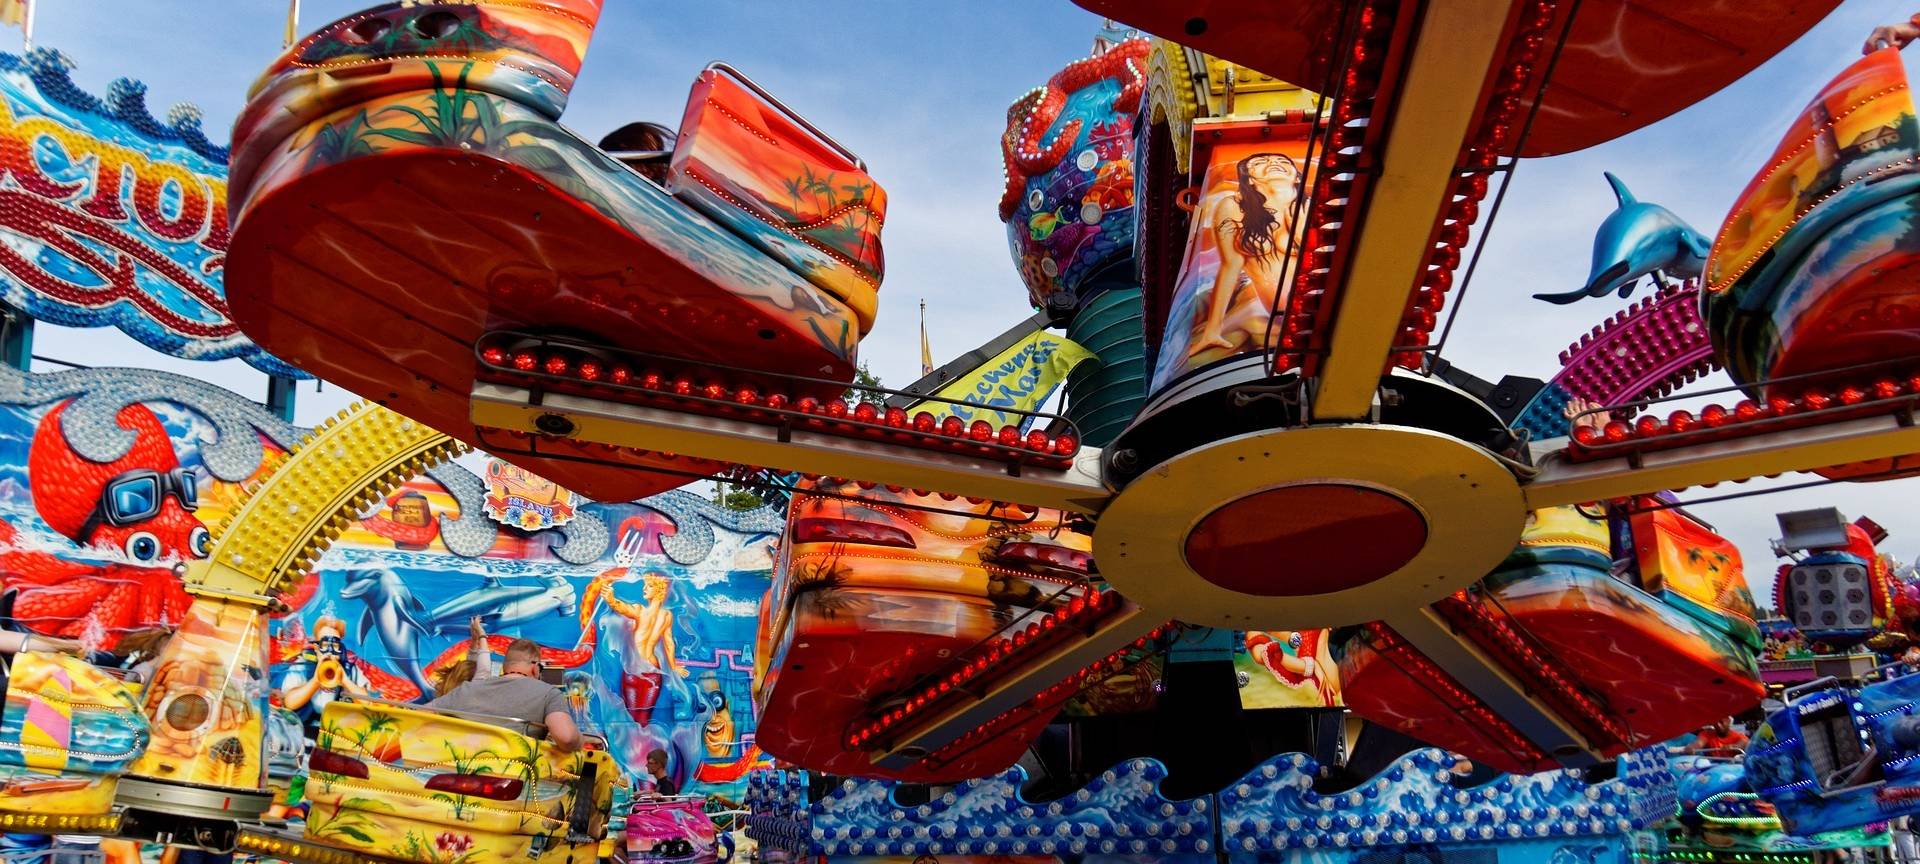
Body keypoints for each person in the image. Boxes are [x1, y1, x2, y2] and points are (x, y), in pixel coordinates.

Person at [1192, 152, 1303, 354]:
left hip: (1320, 305)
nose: (1273, 163)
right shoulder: (1234, 207)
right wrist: (1213, 330)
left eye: (1282, 161)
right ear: (1249, 179)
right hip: (1277, 315)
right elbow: (1230, 267)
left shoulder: (1308, 206)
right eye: (1260, 162)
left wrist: (1300, 234)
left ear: (1296, 176)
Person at [427, 637, 580, 752]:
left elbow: (420, 712)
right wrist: (580, 741)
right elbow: (566, 737)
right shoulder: (548, 693)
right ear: (535, 668)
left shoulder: (468, 688)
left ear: (505, 667)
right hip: (516, 776)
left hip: (461, 772)